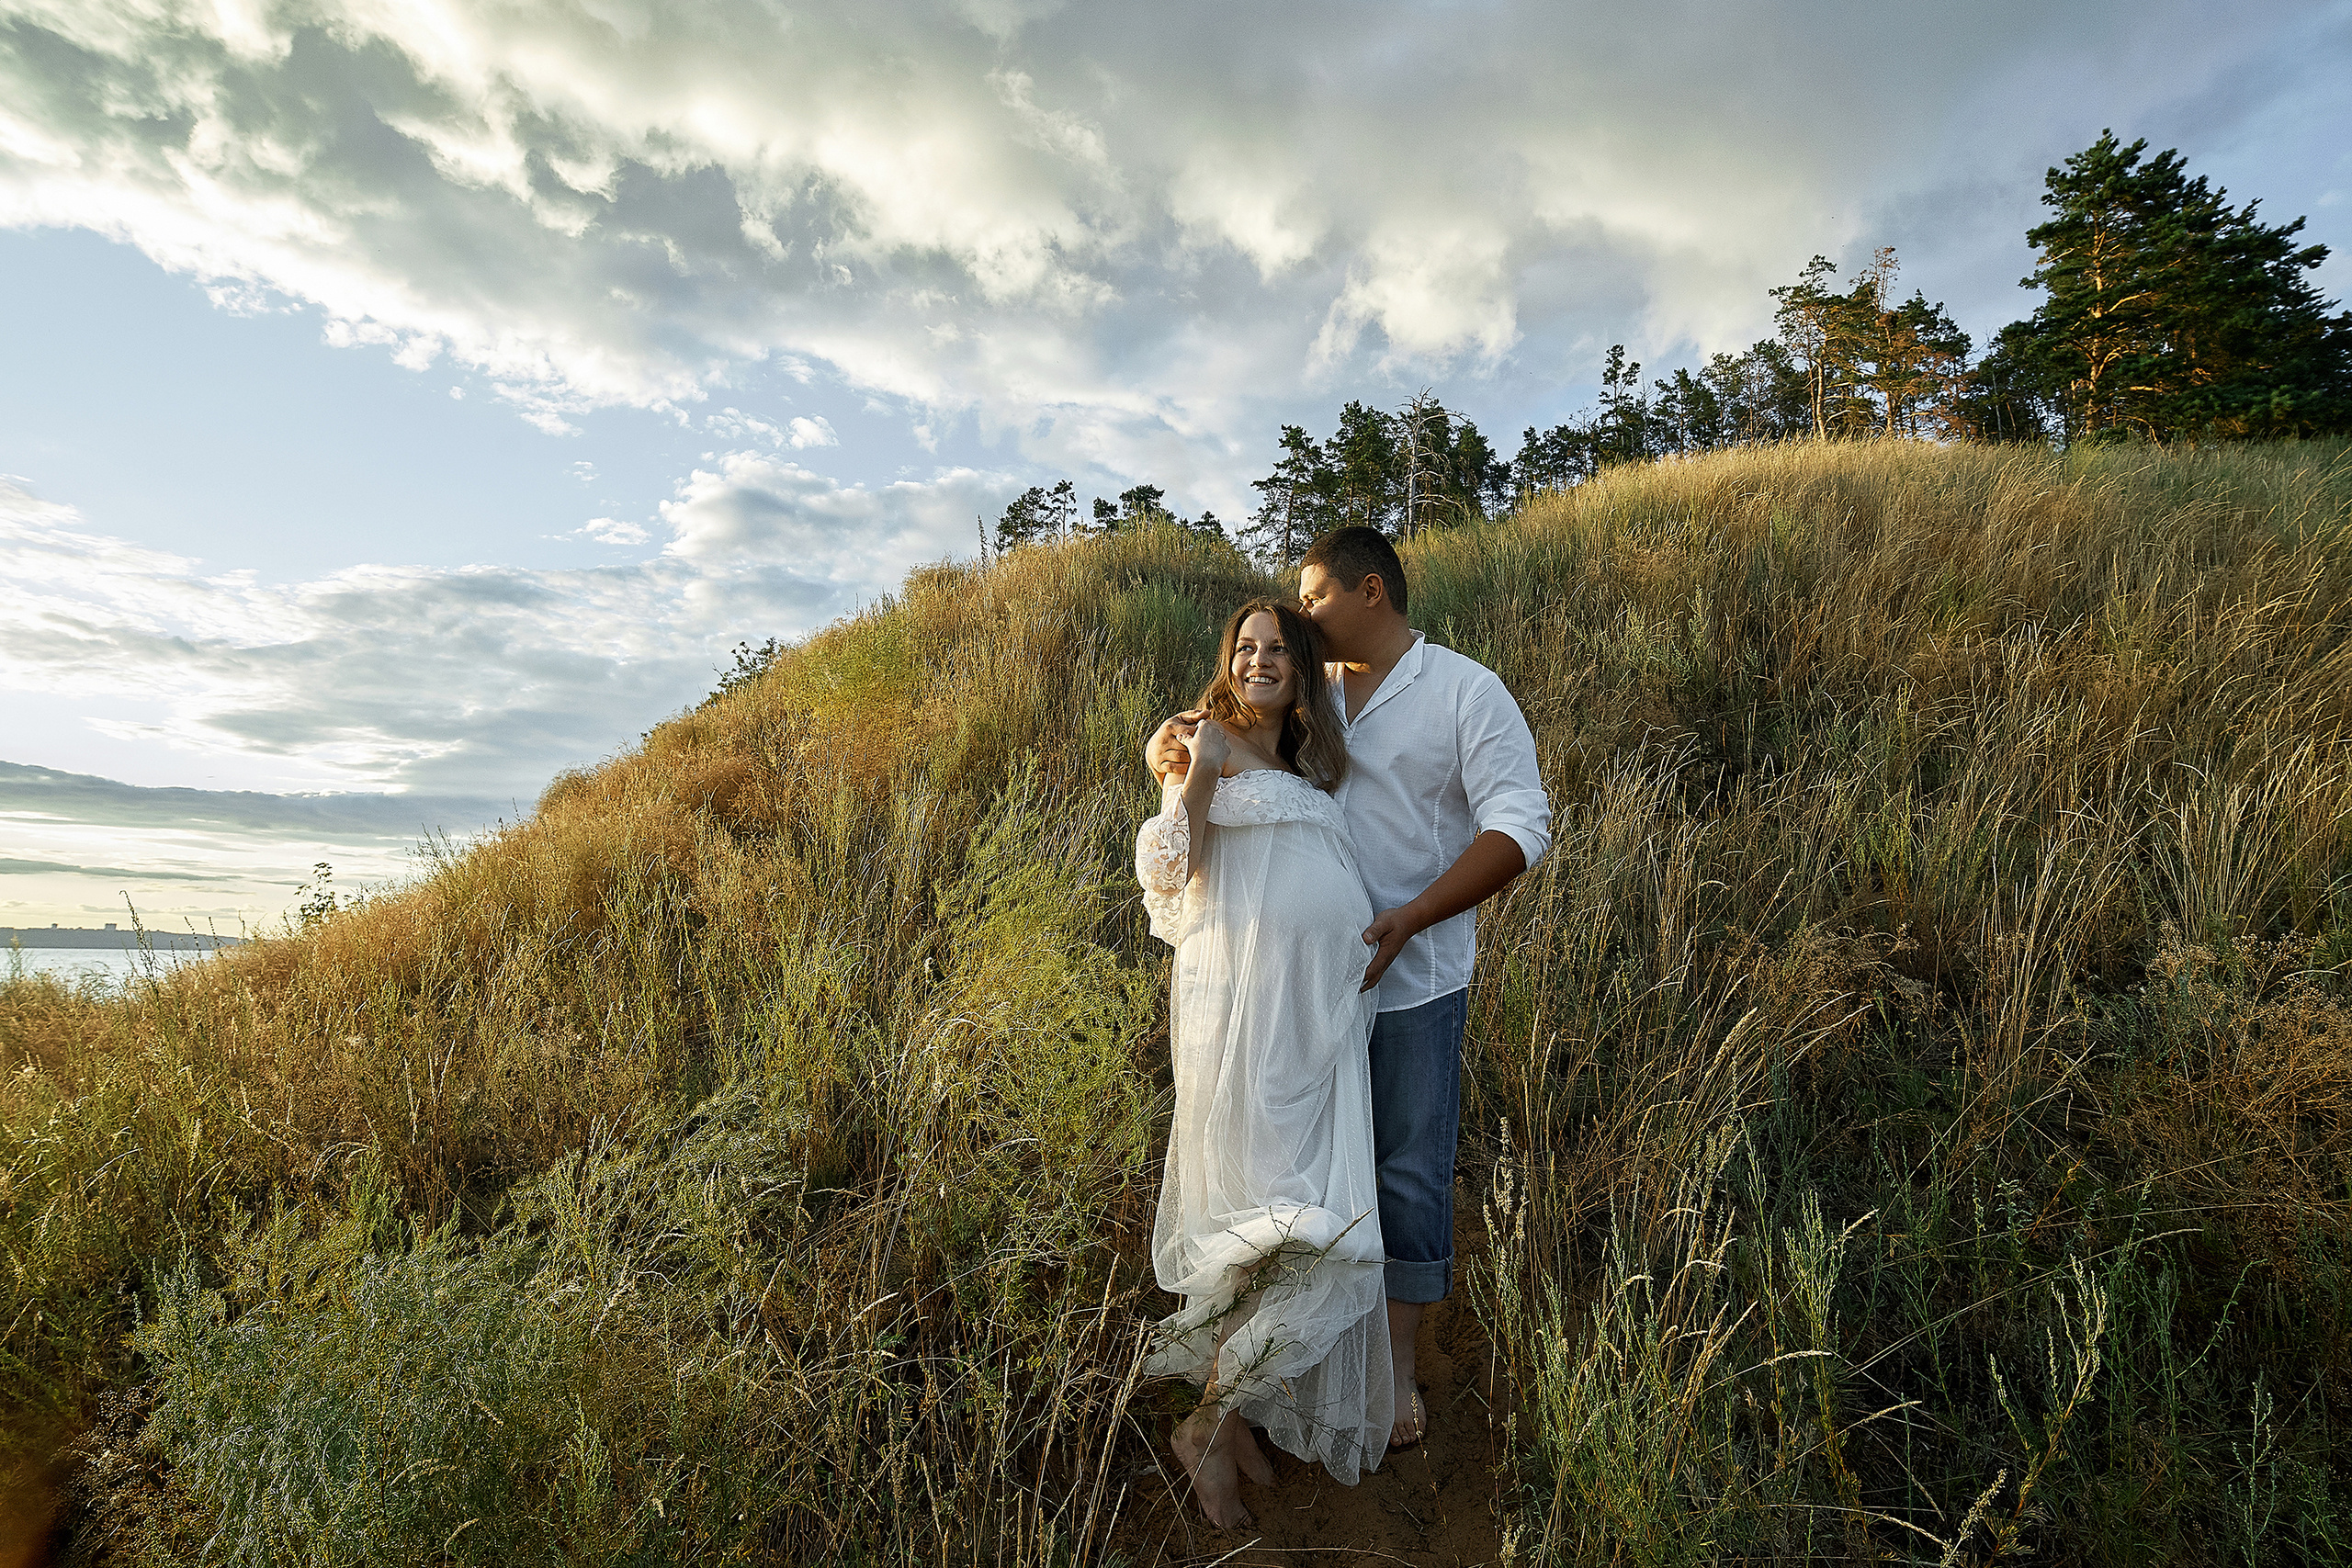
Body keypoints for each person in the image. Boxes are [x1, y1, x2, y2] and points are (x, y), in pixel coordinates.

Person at [1146, 526, 1551, 1452]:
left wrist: (1413, 916)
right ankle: (1259, 1384)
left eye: (1314, 596)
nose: (1300, 614)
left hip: (1411, 984)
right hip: (1292, 995)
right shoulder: (1308, 689)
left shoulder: (1463, 691)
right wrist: (1166, 746)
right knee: (1291, 1179)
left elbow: (1521, 826)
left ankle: (1393, 1366)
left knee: (1404, 1173)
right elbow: (1220, 751)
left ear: (1371, 592)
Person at [1134, 596, 1393, 1529]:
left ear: (1303, 665)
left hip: (1313, 1029)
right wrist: (1197, 768)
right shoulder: (1201, 742)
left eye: (1278, 647)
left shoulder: (1308, 766)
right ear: (1228, 657)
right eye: (1245, 646)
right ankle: (1207, 1426)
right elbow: (1170, 873)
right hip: (1241, 1024)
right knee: (1267, 1222)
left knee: (1291, 1225)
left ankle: (1226, 1414)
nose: (1258, 659)